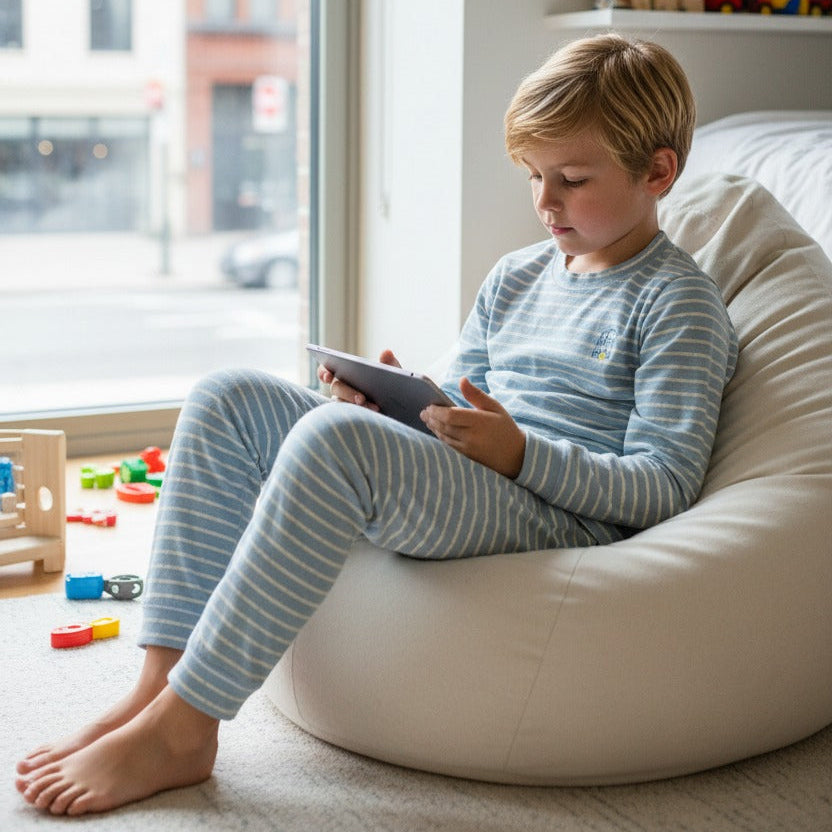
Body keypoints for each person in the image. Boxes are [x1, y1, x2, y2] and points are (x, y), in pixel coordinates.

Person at [16, 33, 737, 815]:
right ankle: (158, 687)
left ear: (656, 172)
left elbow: (665, 485)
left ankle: (188, 725)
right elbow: (465, 401)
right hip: (485, 475)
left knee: (337, 445)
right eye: (533, 175)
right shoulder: (517, 276)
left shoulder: (679, 304)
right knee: (227, 396)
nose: (544, 202)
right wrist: (397, 404)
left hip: (559, 514)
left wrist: (520, 453)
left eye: (571, 179)